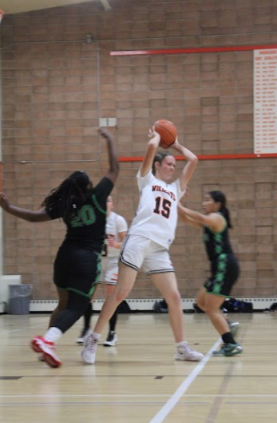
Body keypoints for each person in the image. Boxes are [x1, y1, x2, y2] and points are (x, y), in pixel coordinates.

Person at [0, 128, 119, 367]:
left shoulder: (67, 206)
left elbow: (33, 217)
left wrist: (8, 207)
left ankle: (45, 349)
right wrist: (110, 139)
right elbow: (114, 168)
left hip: (64, 258)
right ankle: (48, 341)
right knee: (77, 306)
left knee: (62, 305)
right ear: (88, 186)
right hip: (86, 260)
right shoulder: (97, 197)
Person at [81, 126, 204, 364]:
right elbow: (150, 148)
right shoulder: (146, 180)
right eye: (169, 164)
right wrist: (157, 138)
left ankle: (181, 348)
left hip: (159, 248)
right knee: (120, 293)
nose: (172, 168)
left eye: (174, 166)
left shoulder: (175, 189)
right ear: (158, 165)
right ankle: (93, 339)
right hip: (139, 240)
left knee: (175, 297)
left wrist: (175, 144)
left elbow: (194, 159)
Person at [178, 191, 242, 357]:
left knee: (212, 308)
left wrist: (179, 206)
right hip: (219, 267)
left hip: (225, 265)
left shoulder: (217, 217)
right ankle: (229, 326)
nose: (203, 203)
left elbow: (201, 218)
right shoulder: (209, 222)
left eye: (207, 200)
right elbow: (186, 219)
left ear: (218, 204)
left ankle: (231, 344)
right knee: (200, 302)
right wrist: (178, 204)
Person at [75, 195, 128, 346]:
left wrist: (116, 244)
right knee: (88, 296)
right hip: (97, 261)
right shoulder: (93, 220)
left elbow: (127, 241)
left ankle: (112, 333)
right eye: (103, 200)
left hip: (112, 262)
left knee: (110, 297)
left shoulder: (118, 220)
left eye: (109, 200)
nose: (106, 202)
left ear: (113, 204)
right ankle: (86, 328)